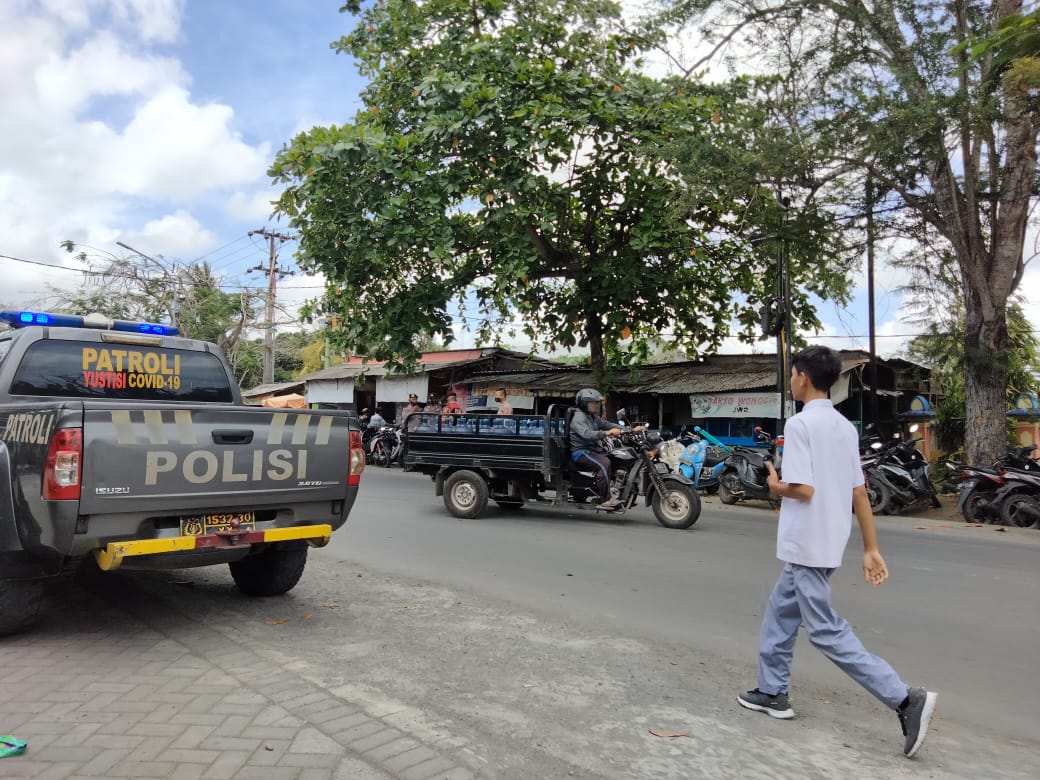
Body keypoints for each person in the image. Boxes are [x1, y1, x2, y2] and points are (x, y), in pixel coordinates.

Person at [738, 345, 937, 759]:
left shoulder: (799, 426)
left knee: (826, 631)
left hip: (807, 544)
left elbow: (803, 489)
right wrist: (871, 548)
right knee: (779, 613)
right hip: (826, 543)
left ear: (803, 378)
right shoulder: (845, 428)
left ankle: (903, 698)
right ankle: (772, 692)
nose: (792, 381)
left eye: (793, 375)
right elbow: (859, 492)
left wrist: (775, 486)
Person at [569, 388, 644, 509]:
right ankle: (606, 499)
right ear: (584, 403)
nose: (596, 405)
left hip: (592, 450)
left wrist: (630, 429)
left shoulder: (592, 417)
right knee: (604, 463)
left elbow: (608, 425)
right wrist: (607, 433)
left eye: (597, 403)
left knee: (614, 458)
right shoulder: (579, 417)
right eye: (593, 403)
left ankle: (614, 490)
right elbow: (587, 434)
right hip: (581, 452)